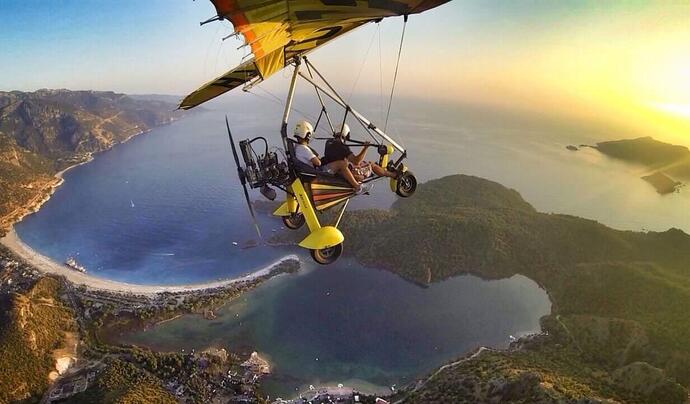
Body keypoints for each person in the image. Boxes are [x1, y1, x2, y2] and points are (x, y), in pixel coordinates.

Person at [292, 120, 368, 194]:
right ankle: (357, 187)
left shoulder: (328, 142)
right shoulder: (304, 149)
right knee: (342, 164)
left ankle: (356, 180)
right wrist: (365, 148)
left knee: (347, 169)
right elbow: (318, 163)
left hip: (312, 171)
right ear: (307, 135)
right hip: (318, 172)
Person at [322, 124, 398, 182]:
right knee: (371, 165)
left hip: (335, 169)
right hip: (343, 173)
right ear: (345, 135)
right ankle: (394, 175)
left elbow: (340, 158)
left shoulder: (329, 141)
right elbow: (356, 161)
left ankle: (381, 171)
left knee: (361, 164)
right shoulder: (342, 146)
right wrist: (365, 148)